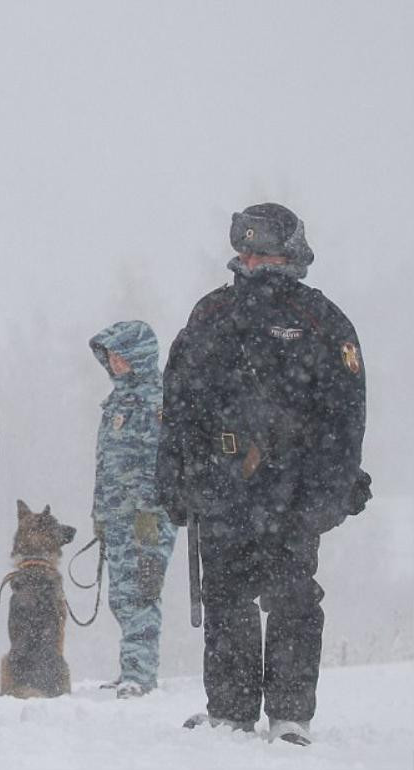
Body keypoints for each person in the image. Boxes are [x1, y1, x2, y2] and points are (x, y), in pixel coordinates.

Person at [157, 202, 370, 746]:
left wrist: (329, 490)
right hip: (221, 478)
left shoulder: (322, 320)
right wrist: (174, 474)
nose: (251, 258)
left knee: (293, 594)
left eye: (263, 249)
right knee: (225, 593)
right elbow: (178, 403)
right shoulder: (210, 313)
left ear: (290, 253)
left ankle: (291, 714)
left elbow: (345, 416)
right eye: (244, 248)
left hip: (292, 482)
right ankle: (228, 712)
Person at [88, 321, 177, 699]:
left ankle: (140, 674)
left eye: (119, 355)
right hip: (119, 515)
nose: (113, 362)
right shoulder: (117, 401)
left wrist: (147, 510)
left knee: (142, 590)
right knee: (122, 594)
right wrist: (101, 514)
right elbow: (106, 463)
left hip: (147, 518)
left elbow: (158, 461)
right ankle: (130, 670)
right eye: (109, 356)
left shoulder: (157, 401)